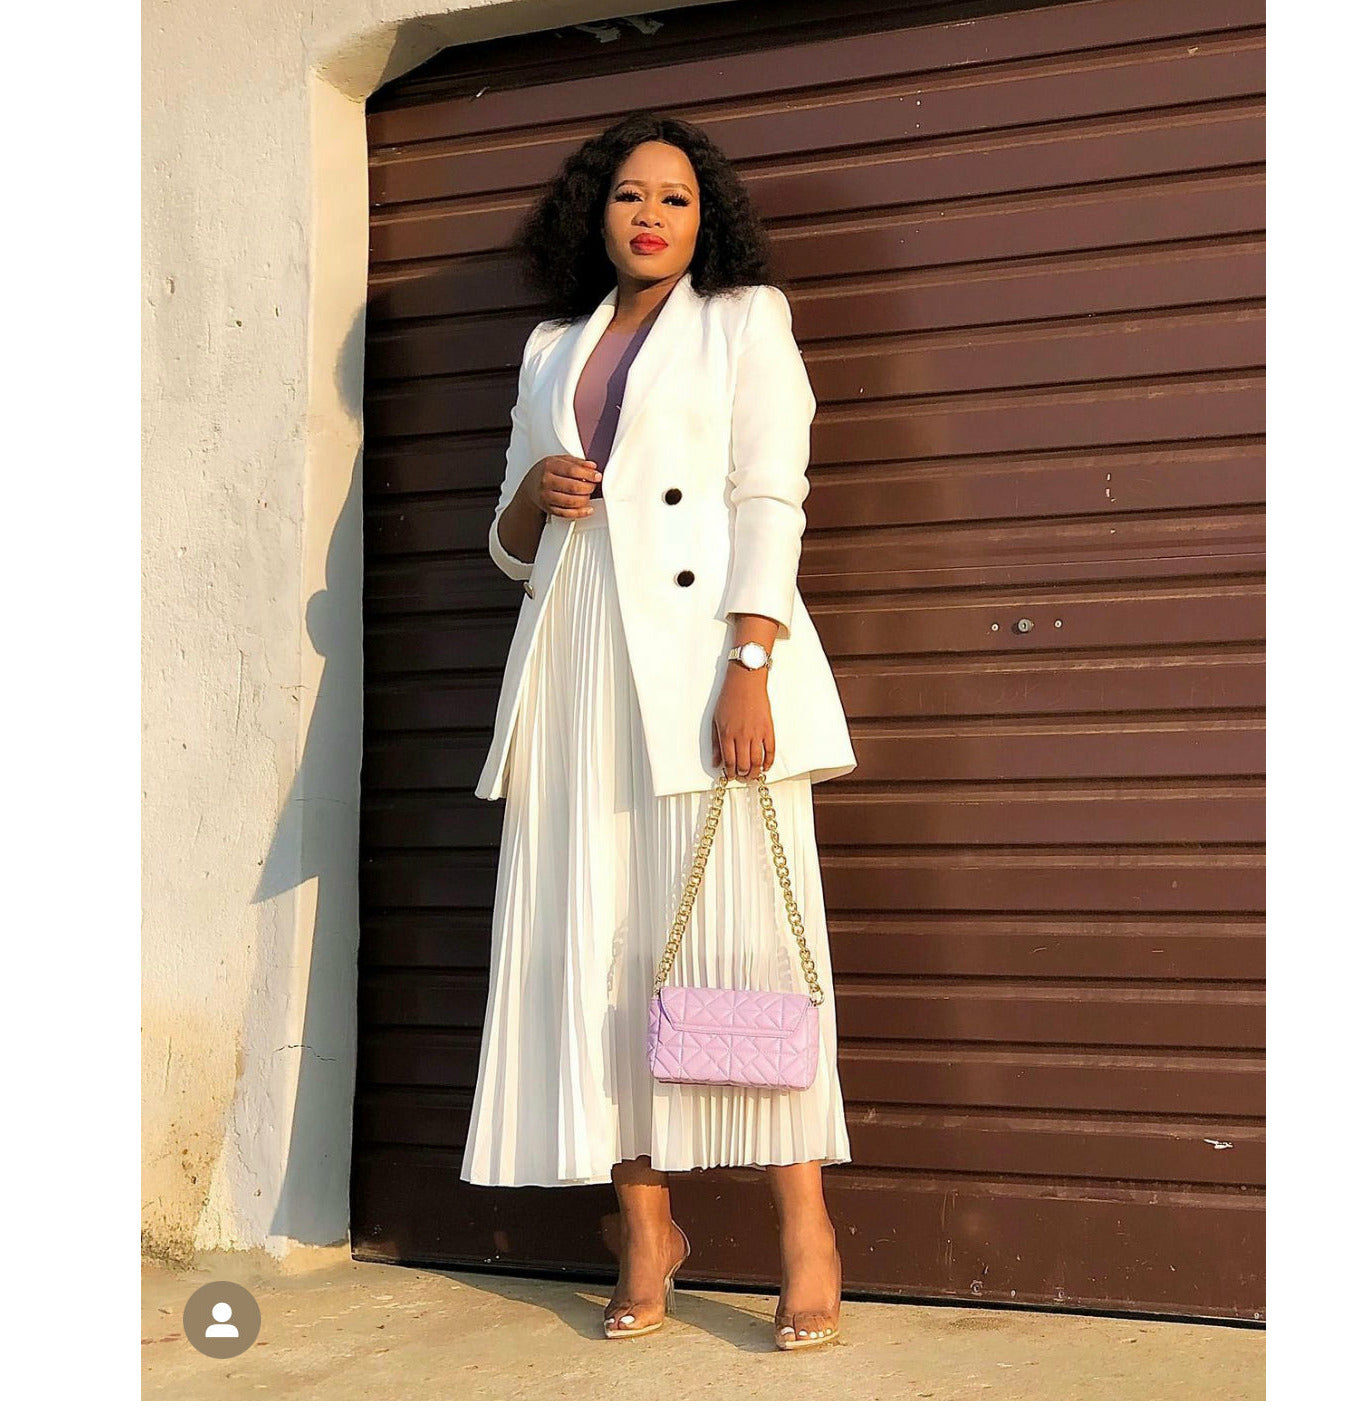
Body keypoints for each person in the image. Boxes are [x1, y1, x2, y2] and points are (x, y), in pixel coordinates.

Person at [461, 111, 858, 1352]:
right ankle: (644, 1230)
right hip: (576, 661)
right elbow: (507, 543)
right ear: (594, 212)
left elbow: (770, 495)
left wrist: (752, 662)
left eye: (674, 198)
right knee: (598, 945)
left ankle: (805, 1233)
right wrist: (534, 496)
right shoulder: (548, 349)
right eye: (629, 194)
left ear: (704, 219)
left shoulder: (744, 321)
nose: (649, 216)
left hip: (699, 665)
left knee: (742, 945)